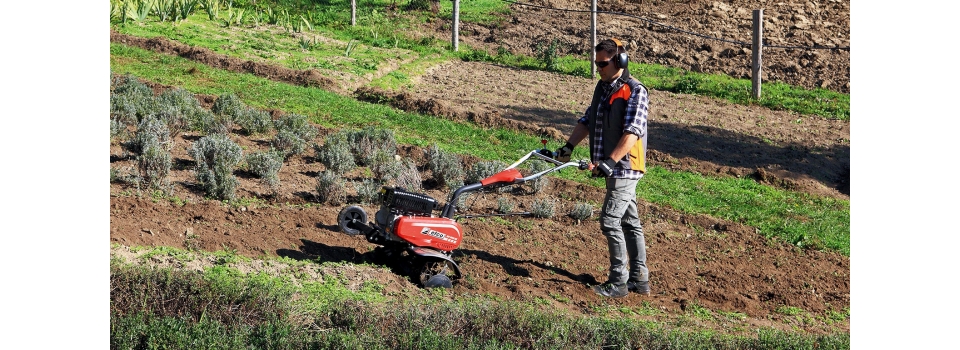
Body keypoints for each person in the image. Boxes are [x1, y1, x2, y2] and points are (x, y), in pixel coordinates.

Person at [552, 38, 651, 298]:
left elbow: (633, 132)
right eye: (596, 64)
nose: (599, 68)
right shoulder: (602, 87)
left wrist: (610, 161)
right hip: (612, 167)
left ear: (620, 61)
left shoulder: (635, 90)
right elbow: (588, 119)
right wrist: (568, 147)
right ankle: (639, 279)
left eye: (603, 64)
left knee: (609, 221)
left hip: (625, 167)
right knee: (630, 222)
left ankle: (618, 282)